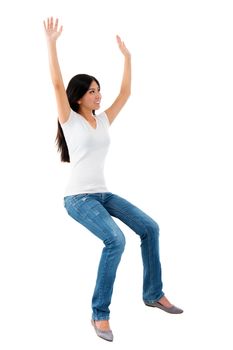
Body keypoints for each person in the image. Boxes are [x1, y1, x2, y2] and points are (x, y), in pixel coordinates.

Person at [43, 17, 183, 342]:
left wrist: (128, 58)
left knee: (150, 227)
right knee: (116, 240)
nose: (98, 95)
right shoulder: (70, 121)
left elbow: (126, 92)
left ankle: (152, 293)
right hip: (78, 199)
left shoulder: (103, 120)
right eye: (92, 91)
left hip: (103, 194)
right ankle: (99, 314)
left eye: (98, 89)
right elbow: (54, 83)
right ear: (78, 97)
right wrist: (51, 44)